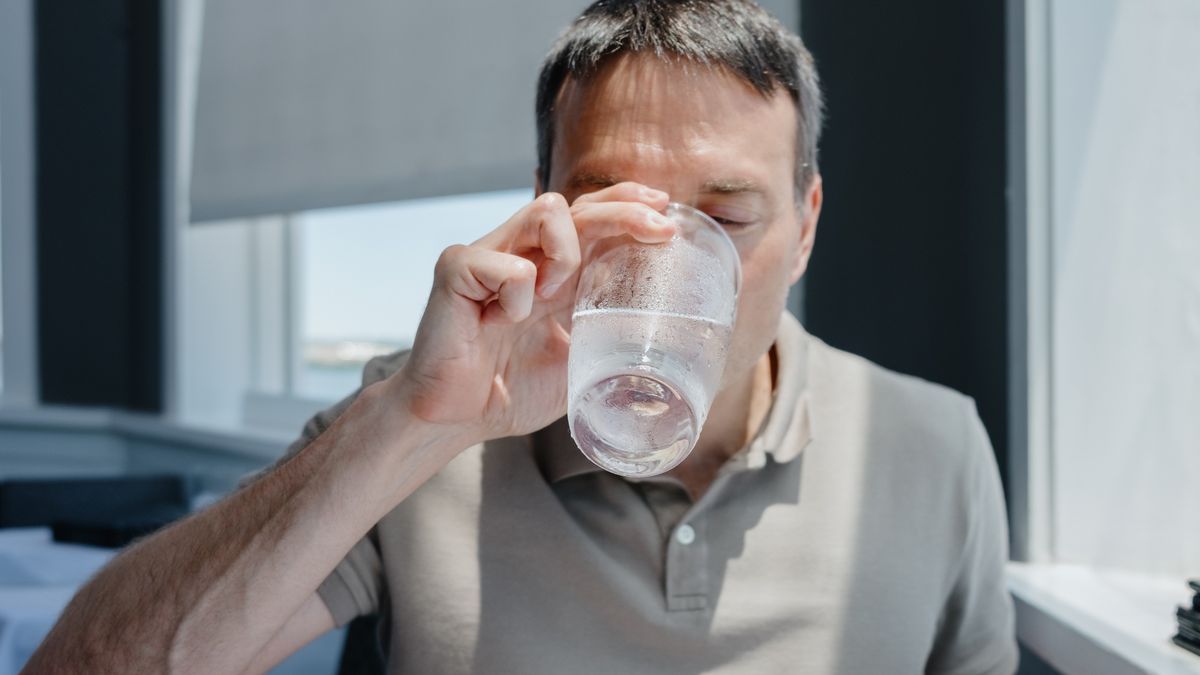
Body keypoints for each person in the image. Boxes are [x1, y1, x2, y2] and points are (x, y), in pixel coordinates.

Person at [26, 1, 1017, 672]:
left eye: (726, 214)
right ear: (544, 212)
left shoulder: (932, 447)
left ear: (806, 226)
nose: (663, 263)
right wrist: (414, 424)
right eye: (613, 211)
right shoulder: (412, 421)